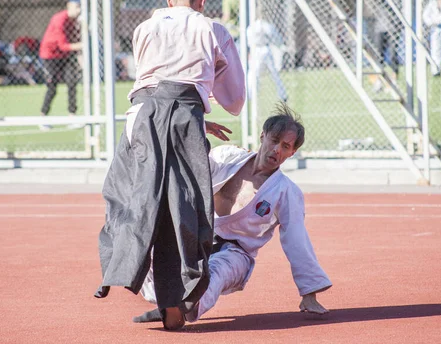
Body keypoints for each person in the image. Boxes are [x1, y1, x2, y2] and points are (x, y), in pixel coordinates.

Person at [94, 0, 246, 331]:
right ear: (203, 1)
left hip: (139, 120)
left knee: (129, 200)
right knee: (184, 208)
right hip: (182, 120)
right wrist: (198, 113)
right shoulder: (212, 29)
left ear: (169, 0)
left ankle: (117, 271)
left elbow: (153, 85)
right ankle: (178, 300)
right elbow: (235, 100)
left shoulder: (144, 28)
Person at [134, 103, 332, 326]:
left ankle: (181, 310)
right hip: (198, 237)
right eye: (274, 141)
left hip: (237, 254)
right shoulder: (228, 157)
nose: (277, 150)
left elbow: (297, 241)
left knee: (217, 270)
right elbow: (190, 168)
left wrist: (309, 293)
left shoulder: (286, 192)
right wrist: (195, 129)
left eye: (286, 146)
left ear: (292, 152)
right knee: (150, 244)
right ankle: (166, 302)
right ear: (262, 136)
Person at [38, 0, 83, 131]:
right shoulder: (59, 19)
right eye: (77, 6)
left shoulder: (75, 21)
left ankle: (72, 116)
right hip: (50, 56)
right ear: (69, 6)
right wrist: (83, 45)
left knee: (71, 82)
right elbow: (63, 45)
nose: (79, 10)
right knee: (52, 87)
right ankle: (43, 117)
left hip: (65, 55)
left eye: (81, 7)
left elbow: (72, 41)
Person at [247, 19, 288, 102]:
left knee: (270, 73)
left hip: (262, 49)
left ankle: (282, 94)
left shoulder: (264, 25)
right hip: (258, 50)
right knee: (255, 73)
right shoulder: (256, 26)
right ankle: (251, 94)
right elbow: (276, 38)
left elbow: (275, 37)